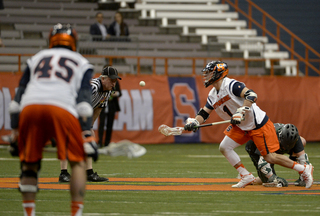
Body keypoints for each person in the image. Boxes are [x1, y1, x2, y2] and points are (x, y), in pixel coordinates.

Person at [8, 23, 98, 216]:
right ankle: (76, 212)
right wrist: (86, 133)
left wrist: (14, 129)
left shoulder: (37, 58)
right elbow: (83, 104)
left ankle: (28, 213)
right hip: (62, 108)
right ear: (74, 41)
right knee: (79, 162)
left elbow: (16, 102)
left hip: (30, 107)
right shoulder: (81, 62)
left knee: (29, 165)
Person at [184, 60, 314, 188]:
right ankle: (246, 175)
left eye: (210, 73)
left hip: (257, 123)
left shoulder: (230, 85)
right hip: (241, 126)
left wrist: (242, 111)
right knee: (224, 147)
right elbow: (205, 113)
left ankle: (303, 169)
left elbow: (251, 94)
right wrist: (195, 121)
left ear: (219, 73)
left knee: (270, 157)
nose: (206, 76)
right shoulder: (212, 94)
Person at [59, 65, 122, 183]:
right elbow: (77, 103)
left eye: (115, 81)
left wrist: (89, 126)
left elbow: (98, 108)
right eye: (112, 80)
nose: (114, 84)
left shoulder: (107, 92)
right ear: (103, 78)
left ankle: (89, 173)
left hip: (80, 113)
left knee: (89, 136)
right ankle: (63, 173)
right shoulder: (92, 87)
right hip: (68, 110)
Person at [246, 123, 311, 187]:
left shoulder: (296, 138)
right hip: (255, 147)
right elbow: (262, 164)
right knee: (266, 179)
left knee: (303, 141)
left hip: (276, 145)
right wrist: (273, 179)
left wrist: (306, 177)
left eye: (290, 144)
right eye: (285, 144)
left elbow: (303, 158)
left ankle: (253, 179)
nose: (286, 148)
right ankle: (250, 180)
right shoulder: (269, 136)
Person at [98, 80, 122, 147]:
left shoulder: (115, 82)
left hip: (112, 107)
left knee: (110, 126)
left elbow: (120, 93)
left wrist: (114, 93)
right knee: (101, 125)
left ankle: (107, 143)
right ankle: (99, 142)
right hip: (102, 106)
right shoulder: (101, 82)